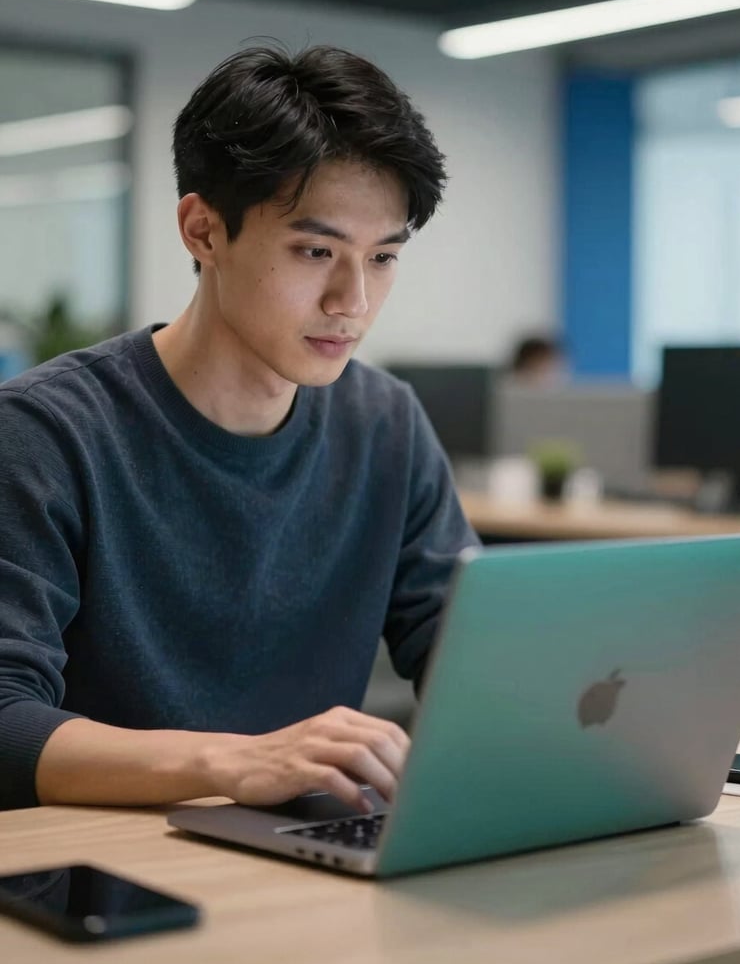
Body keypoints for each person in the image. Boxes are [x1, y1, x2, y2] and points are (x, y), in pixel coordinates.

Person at [0, 45, 478, 813]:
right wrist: (235, 763)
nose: (351, 299)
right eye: (315, 251)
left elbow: (471, 653)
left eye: (382, 257)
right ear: (203, 230)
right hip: (112, 876)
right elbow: (4, 721)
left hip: (313, 864)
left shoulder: (386, 423)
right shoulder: (44, 434)